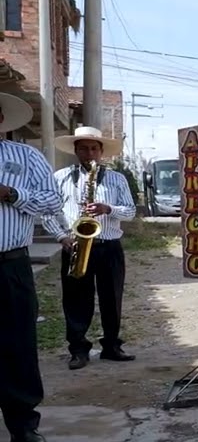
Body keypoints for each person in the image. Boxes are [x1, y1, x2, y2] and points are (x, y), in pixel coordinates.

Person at [42, 126, 137, 369]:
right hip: (74, 245)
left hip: (109, 245)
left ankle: (112, 346)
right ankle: (78, 350)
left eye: (94, 148)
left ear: (101, 151)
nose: (89, 153)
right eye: (83, 149)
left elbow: (130, 212)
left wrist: (108, 209)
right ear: (75, 151)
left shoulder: (117, 179)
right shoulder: (60, 177)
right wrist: (61, 237)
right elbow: (47, 213)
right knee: (75, 300)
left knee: (112, 298)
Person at [0, 93, 63, 442]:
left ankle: (23, 425)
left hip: (10, 265)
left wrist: (12, 194)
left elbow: (53, 201)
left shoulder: (26, 157)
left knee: (17, 345)